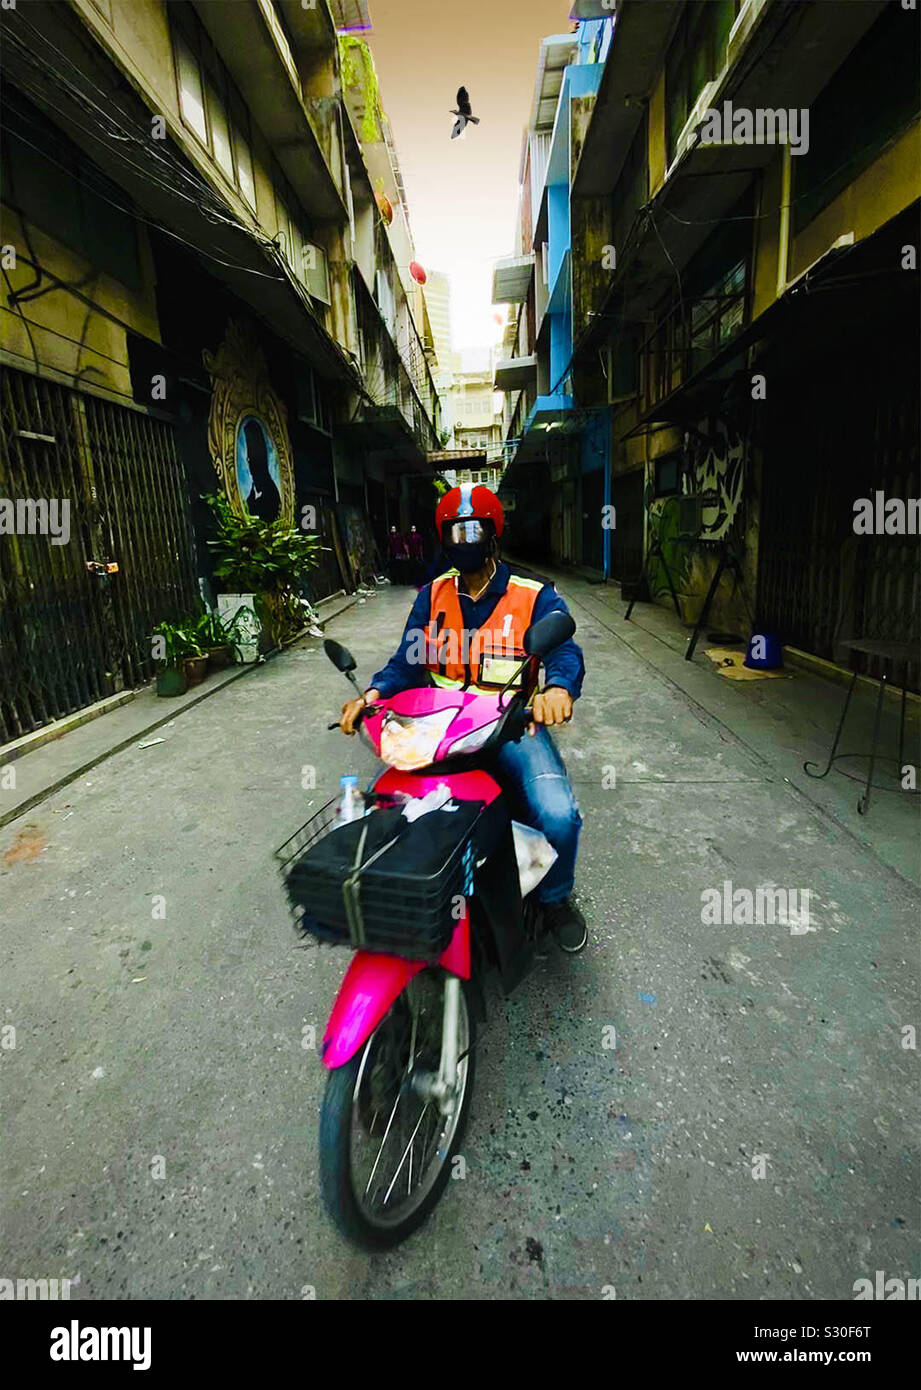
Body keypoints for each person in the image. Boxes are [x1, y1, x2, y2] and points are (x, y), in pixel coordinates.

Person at [340, 483, 587, 953]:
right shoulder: (432, 594)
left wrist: (557, 688)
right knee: (388, 805)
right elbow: (406, 662)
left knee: (558, 814)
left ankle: (554, 899)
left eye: (474, 529)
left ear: (492, 534)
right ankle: (401, 897)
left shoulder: (533, 594)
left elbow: (563, 649)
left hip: (512, 727)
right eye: (455, 531)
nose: (464, 540)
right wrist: (371, 694)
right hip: (440, 729)